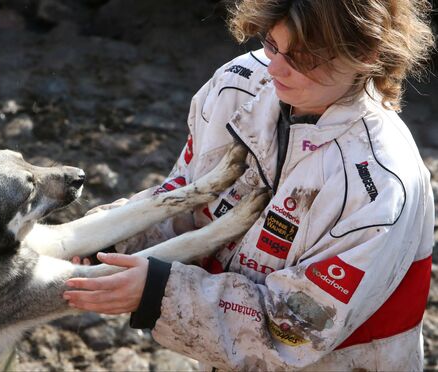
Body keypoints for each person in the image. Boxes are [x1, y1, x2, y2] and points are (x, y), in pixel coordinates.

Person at [63, 0, 436, 370]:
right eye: (271, 43)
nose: (275, 67)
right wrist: (112, 244)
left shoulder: (378, 183)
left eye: (302, 57)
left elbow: (293, 332)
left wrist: (158, 292)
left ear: (366, 54)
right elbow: (184, 200)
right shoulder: (237, 85)